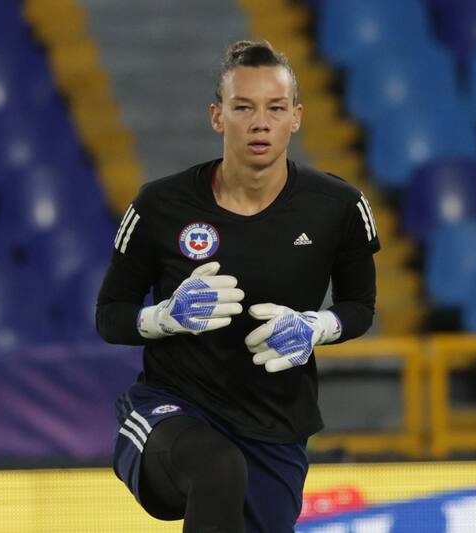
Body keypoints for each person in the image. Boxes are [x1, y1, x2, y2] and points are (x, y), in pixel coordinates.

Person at [96, 39, 379, 533]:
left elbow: (359, 306)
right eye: (242, 107)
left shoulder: (338, 207)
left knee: (238, 479)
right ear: (216, 116)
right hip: (174, 411)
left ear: (297, 117)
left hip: (275, 425)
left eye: (275, 108)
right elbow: (110, 314)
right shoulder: (160, 206)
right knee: (218, 466)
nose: (259, 122)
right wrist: (162, 317)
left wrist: (318, 327)